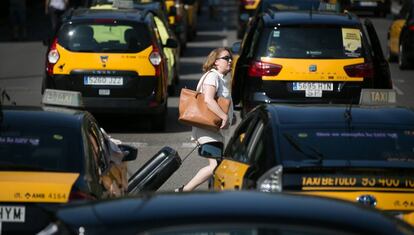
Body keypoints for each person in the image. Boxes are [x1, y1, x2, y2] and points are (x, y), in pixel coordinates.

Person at [176, 47, 233, 192]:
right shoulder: (212, 77)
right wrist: (224, 116)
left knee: (217, 165)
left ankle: (191, 191)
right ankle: (185, 191)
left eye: (230, 58)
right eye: (226, 58)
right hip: (206, 130)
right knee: (216, 166)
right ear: (215, 62)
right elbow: (208, 100)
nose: (230, 61)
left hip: (212, 130)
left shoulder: (220, 78)